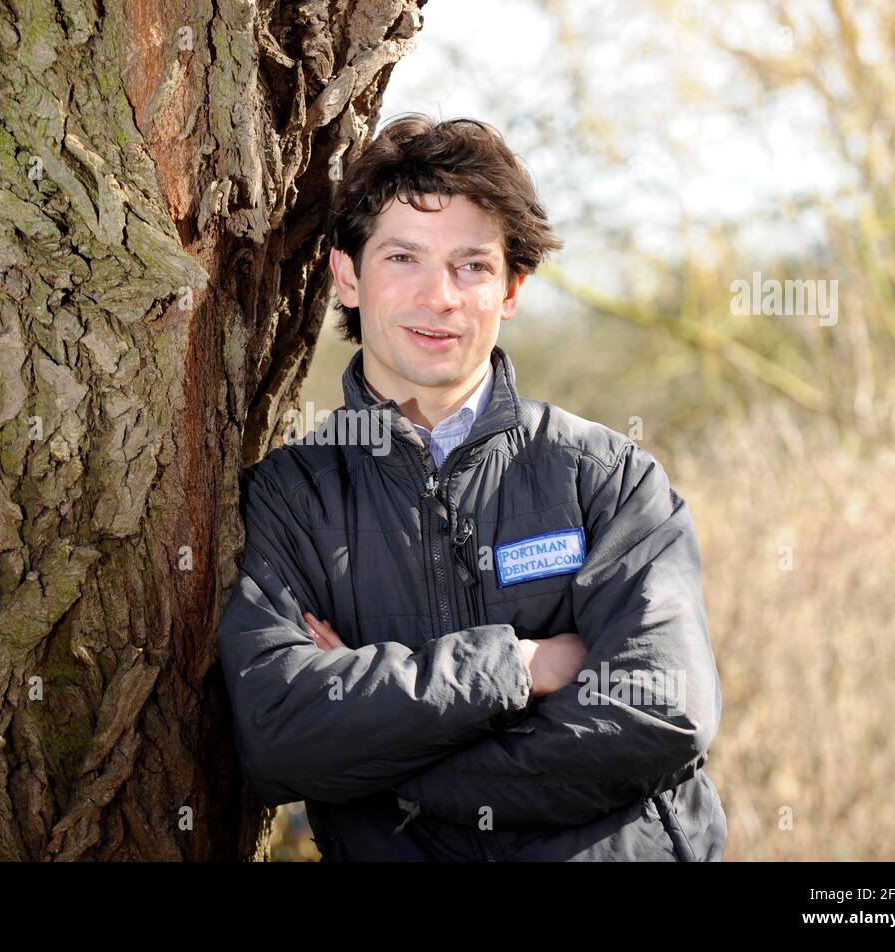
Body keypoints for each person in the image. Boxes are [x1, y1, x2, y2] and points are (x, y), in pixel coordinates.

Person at [215, 114, 727, 861]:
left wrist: (388, 775)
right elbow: (279, 739)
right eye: (402, 258)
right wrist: (520, 667)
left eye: (472, 266)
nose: (440, 297)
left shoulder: (610, 481)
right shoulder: (291, 501)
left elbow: (662, 712)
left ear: (512, 288)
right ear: (347, 276)